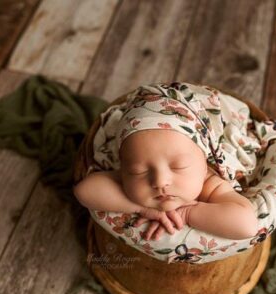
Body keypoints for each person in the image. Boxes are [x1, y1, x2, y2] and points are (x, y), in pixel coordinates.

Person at [73, 82, 259, 241]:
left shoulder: (209, 184)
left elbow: (247, 225)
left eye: (179, 166)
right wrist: (140, 208)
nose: (160, 182)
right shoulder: (129, 175)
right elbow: (85, 191)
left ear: (205, 163)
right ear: (124, 169)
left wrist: (187, 213)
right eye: (139, 171)